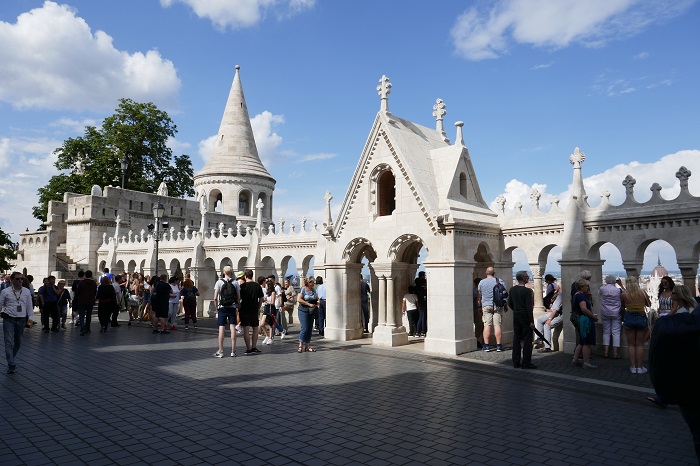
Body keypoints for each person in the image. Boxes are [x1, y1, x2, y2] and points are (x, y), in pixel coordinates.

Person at [0, 272, 35, 374]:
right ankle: (11, 363)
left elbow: (29, 305)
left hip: (21, 319)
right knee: (9, 342)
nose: (20, 281)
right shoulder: (5, 291)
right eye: (17, 279)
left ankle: (11, 357)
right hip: (9, 319)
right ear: (11, 280)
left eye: (21, 279)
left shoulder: (26, 291)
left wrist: (31, 318)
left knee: (18, 342)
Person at [621, 276, 651, 374]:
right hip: (641, 317)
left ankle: (633, 366)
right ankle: (640, 366)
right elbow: (649, 304)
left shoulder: (624, 294)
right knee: (640, 344)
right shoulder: (642, 293)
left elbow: (623, 306)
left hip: (629, 317)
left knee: (631, 344)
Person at [508, 270, 536, 369]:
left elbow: (510, 303)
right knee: (527, 340)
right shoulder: (528, 291)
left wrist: (516, 309)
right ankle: (526, 362)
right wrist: (531, 321)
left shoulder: (512, 289)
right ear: (523, 278)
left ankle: (516, 361)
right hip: (525, 315)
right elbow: (529, 307)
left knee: (516, 338)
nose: (528, 277)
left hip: (516, 314)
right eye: (527, 276)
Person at [571, 278, 599, 369]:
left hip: (579, 320)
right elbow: (584, 309)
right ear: (582, 287)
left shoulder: (576, 295)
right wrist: (594, 317)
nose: (588, 287)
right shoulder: (581, 296)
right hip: (585, 321)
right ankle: (586, 362)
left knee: (582, 341)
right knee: (587, 342)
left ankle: (575, 359)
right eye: (586, 286)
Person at [213, 266, 240, 357]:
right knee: (233, 329)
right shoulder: (235, 282)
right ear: (231, 272)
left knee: (221, 329)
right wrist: (237, 305)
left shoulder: (219, 282)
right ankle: (233, 351)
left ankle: (221, 351)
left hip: (222, 307)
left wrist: (217, 307)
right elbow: (238, 296)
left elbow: (215, 297)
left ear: (223, 272)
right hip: (232, 307)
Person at [477, 267, 505, 352]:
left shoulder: (482, 282)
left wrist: (479, 306)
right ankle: (499, 345)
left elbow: (479, 295)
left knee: (487, 325)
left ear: (486, 273)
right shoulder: (499, 281)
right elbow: (504, 294)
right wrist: (505, 304)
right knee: (497, 325)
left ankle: (486, 345)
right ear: (494, 273)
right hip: (497, 305)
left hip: (486, 305)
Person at [239, 269, 264, 355]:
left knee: (246, 328)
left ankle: (248, 348)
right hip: (254, 309)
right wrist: (258, 307)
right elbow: (261, 299)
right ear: (252, 276)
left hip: (244, 309)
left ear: (245, 276)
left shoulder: (242, 286)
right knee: (255, 328)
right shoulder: (257, 286)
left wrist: (239, 306)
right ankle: (254, 347)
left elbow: (239, 299)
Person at [598, 275, 623, 359]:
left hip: (605, 312)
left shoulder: (602, 289)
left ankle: (605, 352)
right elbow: (625, 293)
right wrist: (621, 285)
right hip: (616, 312)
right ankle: (615, 353)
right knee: (616, 332)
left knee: (606, 331)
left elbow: (599, 293)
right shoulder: (618, 290)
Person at [534, 281, 562, 353]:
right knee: (540, 319)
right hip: (556, 313)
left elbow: (555, 309)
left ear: (559, 287)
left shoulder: (560, 295)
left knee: (547, 325)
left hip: (559, 314)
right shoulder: (559, 294)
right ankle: (540, 339)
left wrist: (549, 319)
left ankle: (547, 347)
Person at [297, 277, 318, 353]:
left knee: (309, 328)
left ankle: (307, 345)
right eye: (313, 282)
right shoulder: (303, 289)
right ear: (309, 282)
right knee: (304, 328)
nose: (314, 284)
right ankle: (300, 345)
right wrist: (308, 304)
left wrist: (317, 303)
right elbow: (299, 299)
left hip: (311, 311)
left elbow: (316, 298)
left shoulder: (313, 290)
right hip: (303, 310)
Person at [75, 270, 97, 335]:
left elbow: (78, 292)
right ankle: (88, 328)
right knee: (88, 315)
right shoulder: (93, 283)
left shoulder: (82, 283)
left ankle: (82, 328)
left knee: (81, 315)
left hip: (82, 301)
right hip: (90, 301)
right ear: (91, 275)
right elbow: (95, 292)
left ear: (85, 275)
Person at [415, 271, 428, 337]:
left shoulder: (416, 287)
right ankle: (423, 331)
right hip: (423, 303)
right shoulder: (424, 290)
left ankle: (418, 331)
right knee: (423, 317)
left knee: (420, 317)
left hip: (418, 302)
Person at [473, 278, 484, 348]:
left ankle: (479, 340)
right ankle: (477, 340)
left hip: (477, 309)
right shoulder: (475, 291)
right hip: (477, 309)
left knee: (480, 325)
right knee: (479, 325)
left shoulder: (475, 290)